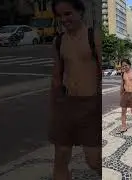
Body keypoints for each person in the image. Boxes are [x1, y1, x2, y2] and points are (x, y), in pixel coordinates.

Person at [49, 0, 101, 179]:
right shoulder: (59, 41)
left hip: (90, 105)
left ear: (80, 12)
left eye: (68, 14)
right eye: (60, 16)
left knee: (94, 160)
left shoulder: (93, 37)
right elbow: (56, 76)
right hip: (67, 104)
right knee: (60, 159)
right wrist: (54, 107)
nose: (64, 19)